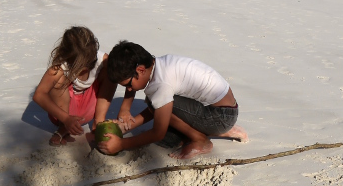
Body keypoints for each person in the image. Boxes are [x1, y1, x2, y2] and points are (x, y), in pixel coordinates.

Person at [94, 40, 247, 159]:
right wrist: (125, 123)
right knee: (168, 140)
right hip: (221, 108)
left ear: (140, 70)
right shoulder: (159, 65)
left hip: (221, 116)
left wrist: (121, 144)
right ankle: (214, 130)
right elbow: (155, 107)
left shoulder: (161, 84)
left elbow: (157, 132)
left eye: (128, 85)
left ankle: (201, 140)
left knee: (160, 115)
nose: (129, 90)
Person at [32, 26, 126, 145]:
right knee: (58, 79)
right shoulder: (60, 67)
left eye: (91, 62)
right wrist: (65, 119)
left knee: (111, 72)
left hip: (91, 107)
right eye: (82, 65)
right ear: (69, 59)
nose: (88, 67)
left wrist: (125, 108)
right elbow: (39, 95)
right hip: (64, 113)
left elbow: (127, 73)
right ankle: (63, 127)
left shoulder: (102, 59)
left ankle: (98, 122)